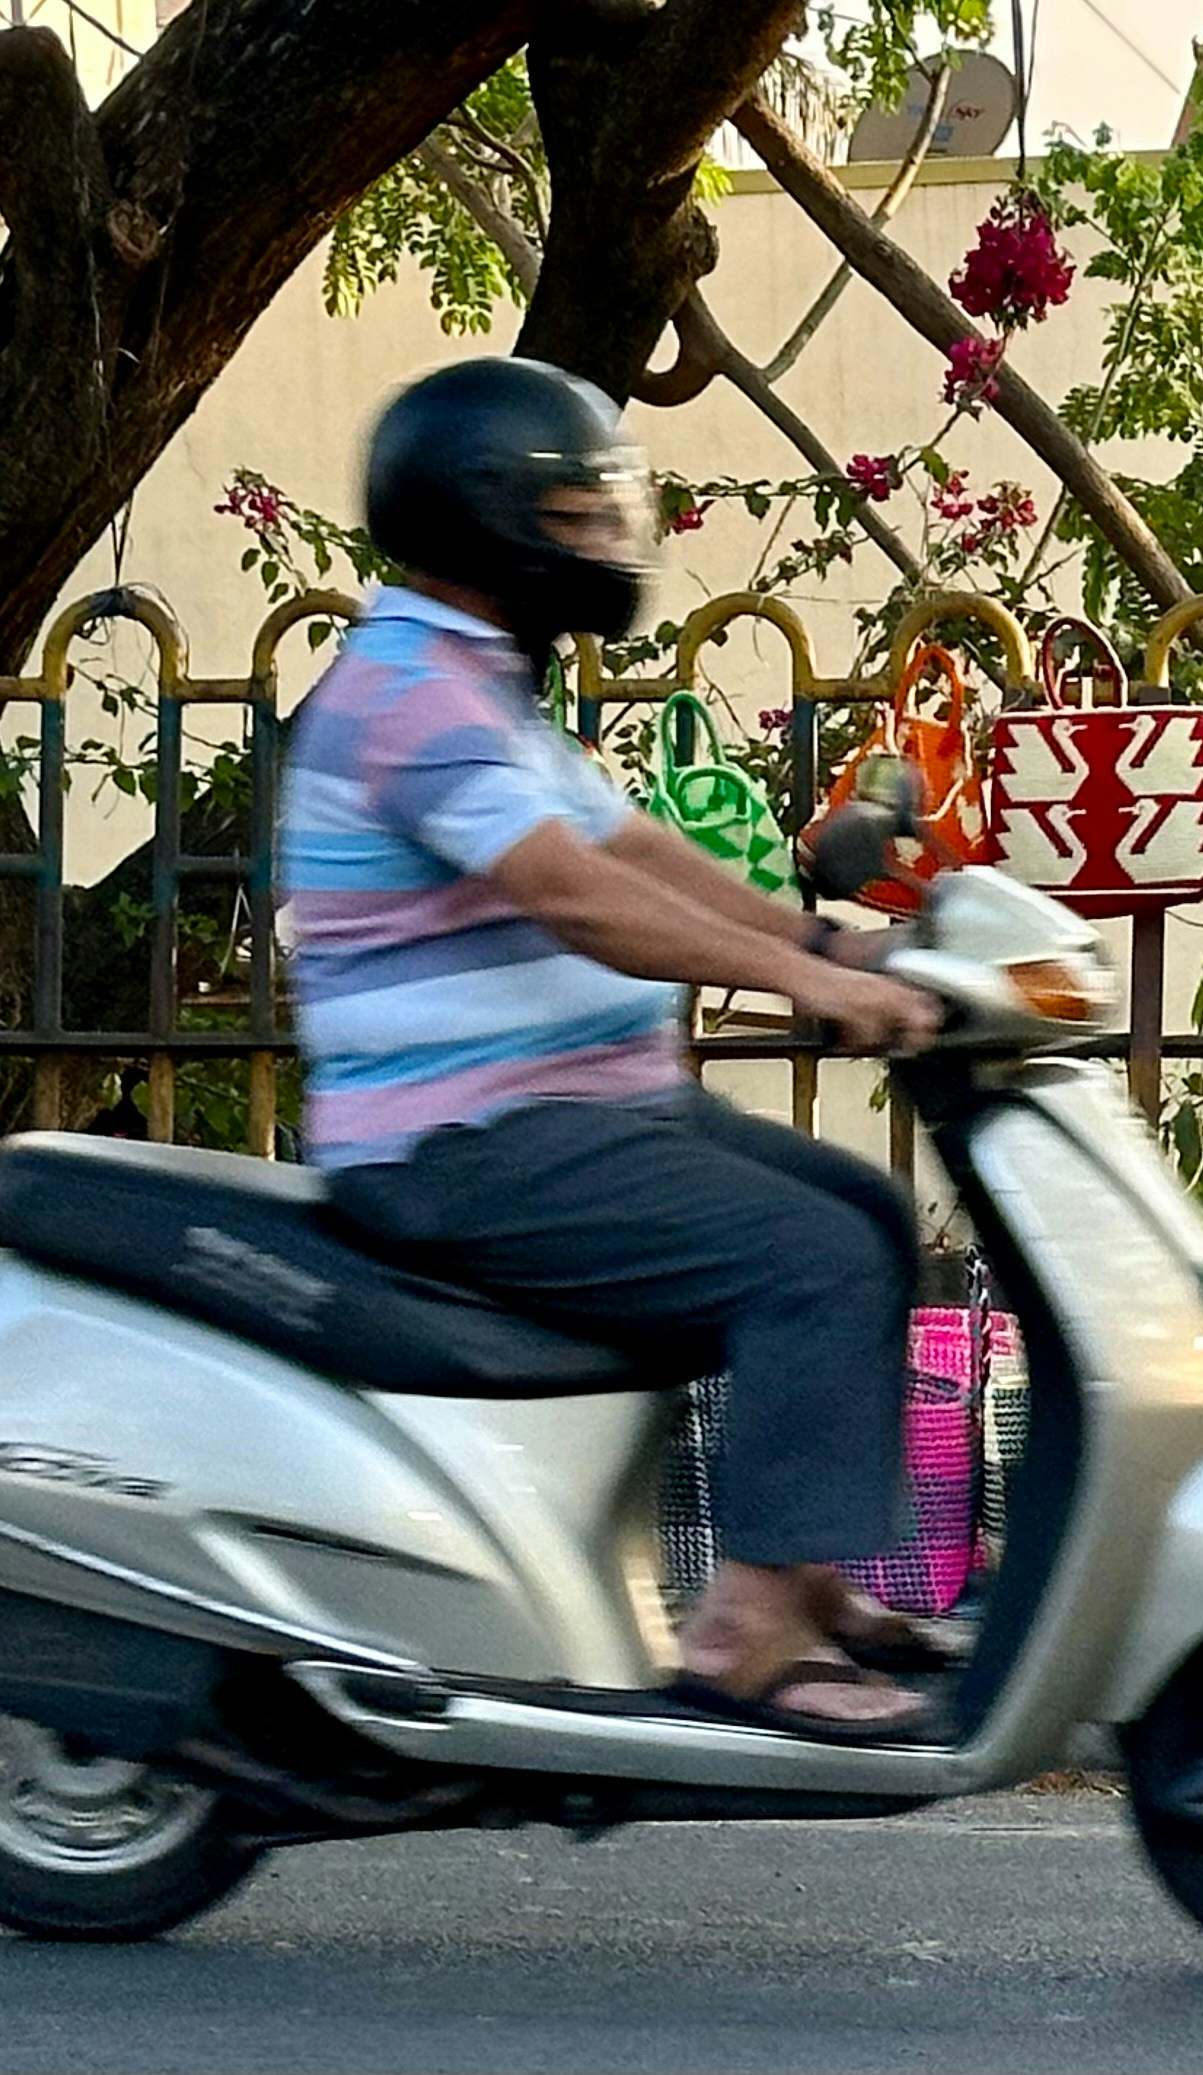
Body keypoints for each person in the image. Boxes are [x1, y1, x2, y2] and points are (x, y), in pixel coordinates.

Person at [278, 356, 943, 1741]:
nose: (601, 540)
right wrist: (802, 983)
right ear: (486, 520)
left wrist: (828, 942)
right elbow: (571, 895)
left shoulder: (482, 685)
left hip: (579, 1112)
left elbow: (631, 849)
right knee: (809, 1259)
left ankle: (805, 1574)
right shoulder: (408, 694)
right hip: (465, 1143)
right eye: (574, 515)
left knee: (866, 1217)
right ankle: (745, 1637)